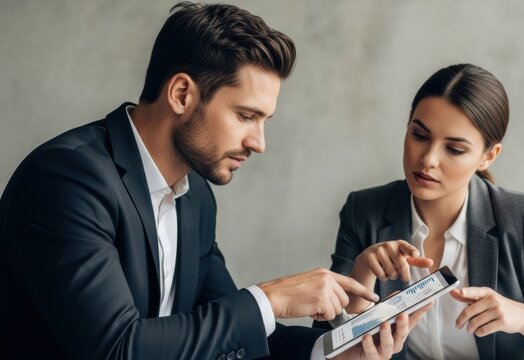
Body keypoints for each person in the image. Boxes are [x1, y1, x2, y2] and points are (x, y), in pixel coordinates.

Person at [0, 3, 429, 359]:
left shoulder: (195, 194)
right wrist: (271, 297)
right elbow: (117, 347)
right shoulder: (67, 180)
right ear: (182, 94)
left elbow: (225, 332)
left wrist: (336, 350)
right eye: (246, 116)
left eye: (265, 120)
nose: (259, 142)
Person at [318, 64, 524, 359]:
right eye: (420, 135)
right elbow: (319, 345)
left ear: (488, 156)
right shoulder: (364, 211)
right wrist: (361, 279)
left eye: (454, 149)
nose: (428, 160)